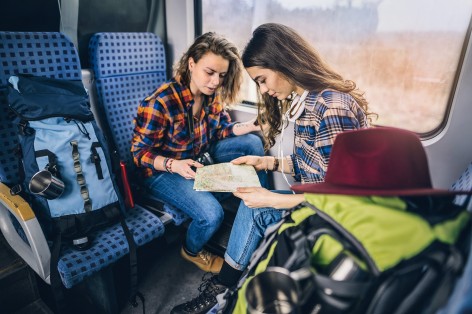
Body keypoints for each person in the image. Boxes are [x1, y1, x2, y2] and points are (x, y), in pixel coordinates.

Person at [170, 23, 375, 314]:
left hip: (339, 223)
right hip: (323, 207)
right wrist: (266, 162)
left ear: (284, 62)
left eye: (263, 80)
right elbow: (314, 167)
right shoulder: (312, 103)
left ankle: (223, 294)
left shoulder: (330, 109)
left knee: (256, 207)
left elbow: (341, 197)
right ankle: (228, 289)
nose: (264, 90)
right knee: (257, 198)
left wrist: (272, 199)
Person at [131, 32, 268, 274]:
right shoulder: (160, 103)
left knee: (253, 144)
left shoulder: (210, 96)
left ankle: (258, 207)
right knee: (211, 215)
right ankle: (191, 250)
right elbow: (139, 154)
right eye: (210, 72)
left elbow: (220, 130)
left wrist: (253, 124)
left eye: (222, 76)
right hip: (162, 172)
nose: (215, 82)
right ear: (191, 63)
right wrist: (175, 165)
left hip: (198, 158)